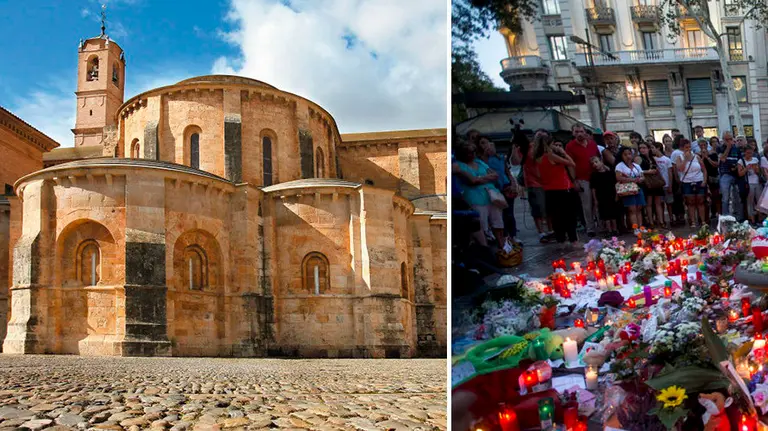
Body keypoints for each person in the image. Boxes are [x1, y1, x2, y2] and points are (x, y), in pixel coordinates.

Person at [453, 141, 505, 248]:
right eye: (469, 152)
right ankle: (485, 250)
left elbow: (495, 175)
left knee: (498, 223)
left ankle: (503, 247)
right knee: (481, 226)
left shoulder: (479, 162)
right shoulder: (459, 165)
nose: (472, 154)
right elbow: (472, 181)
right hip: (475, 198)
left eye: (474, 152)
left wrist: (479, 178)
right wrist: (485, 178)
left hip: (492, 197)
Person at [535, 134, 579, 248]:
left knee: (556, 217)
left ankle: (561, 241)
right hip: (562, 188)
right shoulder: (550, 156)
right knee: (569, 216)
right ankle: (573, 240)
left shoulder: (538, 157)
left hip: (549, 190)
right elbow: (572, 163)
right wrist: (564, 153)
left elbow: (538, 176)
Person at [478, 137, 519, 243]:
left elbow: (507, 173)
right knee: (498, 215)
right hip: (494, 188)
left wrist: (513, 184)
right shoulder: (480, 160)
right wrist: (486, 154)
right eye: (482, 143)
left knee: (509, 213)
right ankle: (503, 237)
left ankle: (513, 235)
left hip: (506, 186)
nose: (486, 145)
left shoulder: (500, 158)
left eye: (487, 143)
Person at [565, 124, 600, 237]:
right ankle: (590, 227)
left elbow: (598, 158)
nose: (579, 134)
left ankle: (602, 225)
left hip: (595, 176)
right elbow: (570, 165)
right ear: (573, 133)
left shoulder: (592, 144)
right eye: (576, 132)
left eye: (581, 131)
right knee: (587, 204)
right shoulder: (570, 146)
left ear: (585, 132)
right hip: (582, 178)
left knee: (598, 203)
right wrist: (574, 180)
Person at [520, 130, 554, 242]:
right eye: (539, 135)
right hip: (534, 183)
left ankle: (551, 230)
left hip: (548, 182)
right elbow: (516, 161)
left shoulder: (548, 148)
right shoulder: (528, 148)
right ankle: (541, 232)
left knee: (549, 208)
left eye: (544, 136)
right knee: (537, 208)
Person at [675, 139, 708, 228]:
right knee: (690, 202)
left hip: (699, 180)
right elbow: (680, 169)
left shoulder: (696, 157)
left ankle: (703, 221)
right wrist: (685, 159)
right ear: (682, 148)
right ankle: (693, 221)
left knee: (701, 201)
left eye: (689, 147)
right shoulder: (679, 157)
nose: (688, 149)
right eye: (686, 147)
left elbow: (704, 169)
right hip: (687, 182)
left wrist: (704, 181)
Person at [615, 147, 646, 229]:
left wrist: (641, 179)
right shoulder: (619, 166)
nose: (628, 156)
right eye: (625, 154)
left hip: (638, 188)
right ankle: (636, 228)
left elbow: (642, 176)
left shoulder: (636, 166)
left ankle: (641, 227)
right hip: (628, 189)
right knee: (632, 210)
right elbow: (618, 178)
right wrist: (632, 179)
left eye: (629, 154)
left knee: (639, 208)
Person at [636, 142, 665, 227]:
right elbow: (637, 170)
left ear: (648, 149)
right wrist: (648, 172)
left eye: (644, 148)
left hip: (655, 182)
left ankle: (661, 221)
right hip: (647, 182)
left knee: (658, 203)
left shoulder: (652, 158)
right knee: (649, 203)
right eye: (640, 148)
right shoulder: (638, 158)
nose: (642, 150)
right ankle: (651, 222)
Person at [590, 156, 618, 236]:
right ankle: (609, 230)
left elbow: (615, 185)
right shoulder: (594, 175)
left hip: (611, 195)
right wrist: (595, 199)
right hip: (601, 197)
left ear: (601, 162)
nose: (595, 164)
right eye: (593, 163)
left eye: (596, 162)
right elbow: (593, 188)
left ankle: (615, 229)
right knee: (605, 214)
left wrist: (617, 195)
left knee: (613, 213)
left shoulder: (610, 173)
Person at [718, 131, 744, 219]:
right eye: (727, 139)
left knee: (737, 196)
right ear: (723, 139)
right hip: (725, 174)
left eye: (730, 139)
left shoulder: (736, 149)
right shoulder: (720, 148)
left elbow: (740, 161)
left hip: (736, 174)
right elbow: (722, 159)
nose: (729, 141)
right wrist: (728, 148)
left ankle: (738, 217)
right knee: (725, 198)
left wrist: (736, 167)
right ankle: (725, 217)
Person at [741, 145, 764, 225]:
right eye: (748, 153)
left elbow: (759, 172)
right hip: (748, 183)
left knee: (759, 201)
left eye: (751, 153)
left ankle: (760, 218)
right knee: (750, 202)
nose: (750, 154)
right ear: (744, 153)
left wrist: (756, 169)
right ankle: (752, 219)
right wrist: (747, 168)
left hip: (757, 182)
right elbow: (740, 174)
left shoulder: (755, 159)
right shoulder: (741, 161)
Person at [654, 141, 674, 228]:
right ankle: (662, 220)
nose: (652, 150)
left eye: (653, 148)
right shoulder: (653, 159)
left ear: (658, 148)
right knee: (660, 204)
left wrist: (670, 185)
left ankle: (671, 218)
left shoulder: (667, 159)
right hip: (658, 185)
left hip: (666, 184)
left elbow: (670, 173)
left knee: (669, 203)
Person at [700, 138, 721, 219]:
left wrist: (707, 157)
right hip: (703, 178)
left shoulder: (713, 154)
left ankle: (718, 214)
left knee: (716, 196)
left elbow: (716, 165)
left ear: (707, 145)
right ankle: (706, 217)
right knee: (705, 198)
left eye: (704, 145)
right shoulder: (697, 155)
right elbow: (699, 166)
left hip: (713, 177)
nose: (703, 147)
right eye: (701, 145)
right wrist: (703, 157)